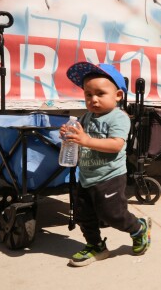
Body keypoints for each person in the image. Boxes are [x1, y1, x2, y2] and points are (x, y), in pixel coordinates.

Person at [62, 62, 151, 267]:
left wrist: (85, 140)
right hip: (86, 176)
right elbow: (77, 138)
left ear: (118, 95)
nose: (93, 99)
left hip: (109, 177)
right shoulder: (85, 118)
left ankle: (138, 228)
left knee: (113, 215)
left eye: (100, 94)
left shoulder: (118, 117)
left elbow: (115, 145)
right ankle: (96, 247)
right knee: (84, 216)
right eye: (88, 94)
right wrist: (68, 135)